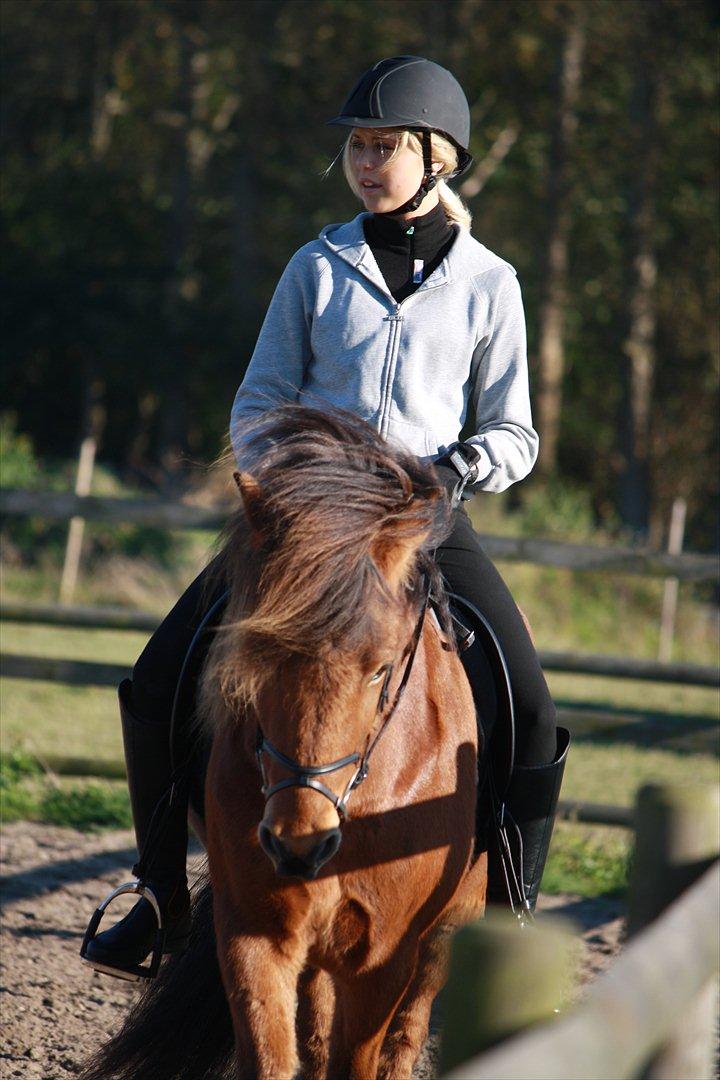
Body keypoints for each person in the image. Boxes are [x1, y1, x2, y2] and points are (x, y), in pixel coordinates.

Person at [82, 55, 569, 980]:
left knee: (533, 711)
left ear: (439, 159)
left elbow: (515, 431)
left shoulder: (488, 284)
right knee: (154, 682)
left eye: (385, 145)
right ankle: (159, 894)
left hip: (419, 519)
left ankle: (511, 924)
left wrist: (457, 467)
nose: (365, 159)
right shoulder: (317, 264)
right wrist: (283, 485)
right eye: (356, 144)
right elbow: (258, 401)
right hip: (304, 523)